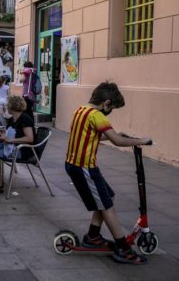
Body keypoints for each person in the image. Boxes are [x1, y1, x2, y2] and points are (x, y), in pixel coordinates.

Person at [65, 82, 152, 265]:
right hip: (84, 168)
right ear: (106, 103)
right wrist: (141, 140)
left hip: (78, 165)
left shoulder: (80, 110)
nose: (110, 110)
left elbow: (92, 135)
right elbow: (117, 142)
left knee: (107, 197)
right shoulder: (97, 116)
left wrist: (116, 134)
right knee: (106, 206)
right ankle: (123, 248)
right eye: (112, 107)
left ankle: (93, 237)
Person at [0, 96, 35, 194]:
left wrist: (9, 140)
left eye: (8, 105)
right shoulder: (13, 119)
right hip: (12, 147)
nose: (6, 107)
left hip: (23, 150)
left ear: (13, 106)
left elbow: (30, 138)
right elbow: (7, 135)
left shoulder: (25, 118)